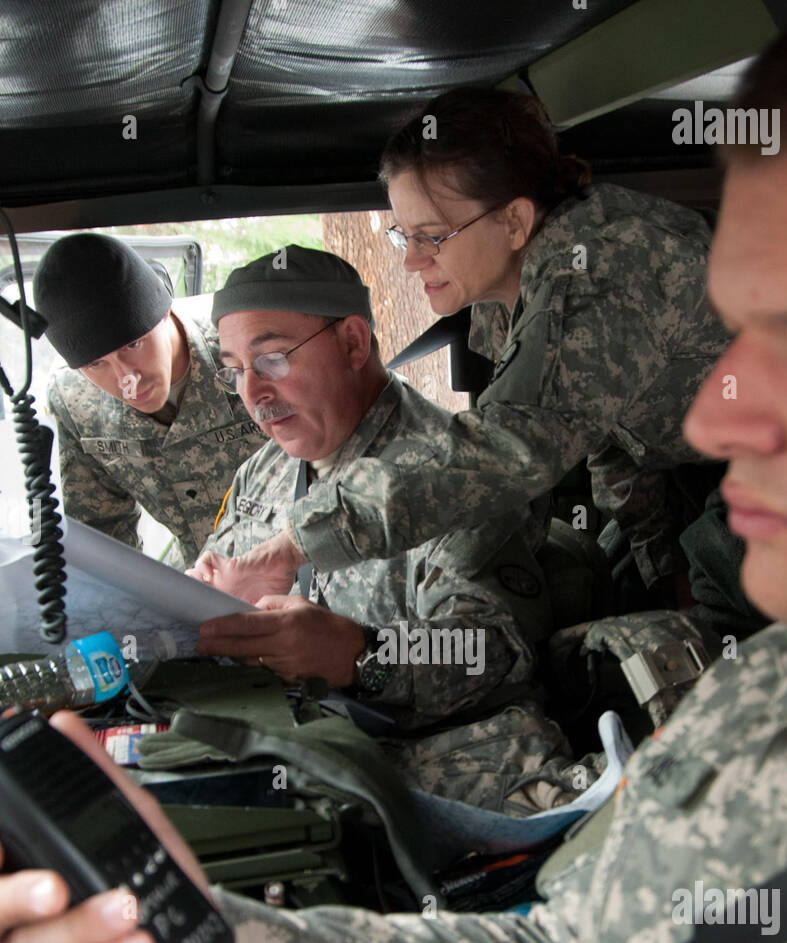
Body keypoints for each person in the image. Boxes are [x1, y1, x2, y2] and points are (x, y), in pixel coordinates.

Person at [2, 0, 787, 943]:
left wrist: (335, 646)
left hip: (440, 782)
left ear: (352, 344)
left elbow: (486, 621)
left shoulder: (441, 458)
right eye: (233, 367)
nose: (706, 408)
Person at [193, 87, 730, 614]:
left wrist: (295, 545)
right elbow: (605, 432)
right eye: (405, 237)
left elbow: (508, 446)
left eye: (433, 236)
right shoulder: (507, 297)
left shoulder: (598, 274)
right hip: (692, 471)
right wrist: (663, 567)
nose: (411, 262)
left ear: (515, 220)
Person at [190, 245, 577, 812]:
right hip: (280, 748)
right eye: (235, 371)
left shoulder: (452, 475)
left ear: (352, 342)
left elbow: (494, 653)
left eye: (272, 359)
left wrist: (362, 654)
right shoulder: (264, 469)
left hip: (409, 779)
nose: (253, 394)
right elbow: (223, 571)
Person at [32, 234, 266, 567]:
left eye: (133, 345)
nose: (127, 377)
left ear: (165, 311)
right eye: (96, 364)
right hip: (197, 576)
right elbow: (103, 537)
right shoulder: (75, 401)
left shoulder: (246, 347)